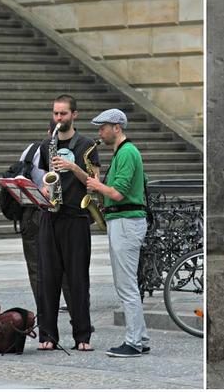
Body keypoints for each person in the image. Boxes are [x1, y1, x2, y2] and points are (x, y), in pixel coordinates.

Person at [37, 95, 100, 351]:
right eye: (56, 114)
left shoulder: (86, 145)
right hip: (50, 216)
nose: (59, 119)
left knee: (77, 279)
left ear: (74, 114)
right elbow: (44, 177)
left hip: (76, 217)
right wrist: (43, 188)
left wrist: (73, 167)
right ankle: (48, 336)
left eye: (63, 114)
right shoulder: (46, 144)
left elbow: (95, 181)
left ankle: (82, 336)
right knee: (47, 279)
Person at [86, 108, 150, 358]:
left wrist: (96, 185)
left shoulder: (127, 153)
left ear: (117, 127)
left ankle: (133, 342)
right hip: (122, 221)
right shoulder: (123, 152)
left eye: (103, 127)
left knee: (126, 286)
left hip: (126, 221)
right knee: (128, 284)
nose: (99, 132)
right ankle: (141, 338)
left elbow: (118, 193)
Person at [19, 122, 72, 312]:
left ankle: (45, 312)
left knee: (39, 268)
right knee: (64, 266)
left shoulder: (31, 149)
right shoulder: (62, 151)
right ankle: (64, 312)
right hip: (42, 212)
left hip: (38, 212)